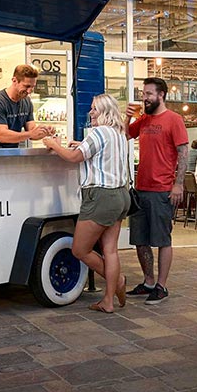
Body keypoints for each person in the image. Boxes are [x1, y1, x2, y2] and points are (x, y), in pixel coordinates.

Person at [42, 94, 130, 314]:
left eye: (94, 109)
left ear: (105, 112)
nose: (90, 112)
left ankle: (118, 281)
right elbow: (102, 155)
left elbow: (73, 158)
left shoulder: (98, 132)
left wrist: (53, 144)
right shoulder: (119, 134)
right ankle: (109, 299)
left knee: (80, 249)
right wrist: (82, 145)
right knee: (110, 250)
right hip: (120, 195)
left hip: (100, 197)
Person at [126, 77, 188, 305]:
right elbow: (125, 134)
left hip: (162, 189)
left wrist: (178, 184)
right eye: (143, 94)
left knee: (162, 239)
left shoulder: (174, 119)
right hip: (141, 188)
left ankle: (162, 286)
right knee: (140, 240)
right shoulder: (143, 119)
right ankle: (149, 282)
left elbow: (183, 153)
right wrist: (127, 116)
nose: (145, 98)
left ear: (161, 95)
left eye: (149, 94)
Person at [0, 64, 54, 148]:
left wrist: (44, 131)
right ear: (14, 80)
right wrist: (30, 133)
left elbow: (32, 132)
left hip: (13, 152)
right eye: (26, 86)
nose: (29, 91)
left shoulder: (27, 102)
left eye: (32, 87)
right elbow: (2, 136)